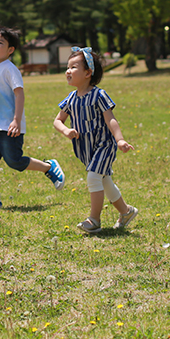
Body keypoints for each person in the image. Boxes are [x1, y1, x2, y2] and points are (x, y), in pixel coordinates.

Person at [0, 26, 64, 209]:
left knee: (14, 161)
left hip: (10, 126)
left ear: (10, 50)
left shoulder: (10, 70)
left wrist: (16, 120)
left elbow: (19, 95)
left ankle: (48, 167)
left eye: (0, 43)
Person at [53, 46, 137, 234]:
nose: (68, 71)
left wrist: (120, 140)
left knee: (93, 177)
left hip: (104, 145)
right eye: (68, 67)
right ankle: (126, 211)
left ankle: (94, 220)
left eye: (74, 67)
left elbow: (110, 119)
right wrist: (66, 131)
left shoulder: (99, 95)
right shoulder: (71, 99)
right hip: (86, 149)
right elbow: (57, 121)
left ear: (88, 73)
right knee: (105, 180)